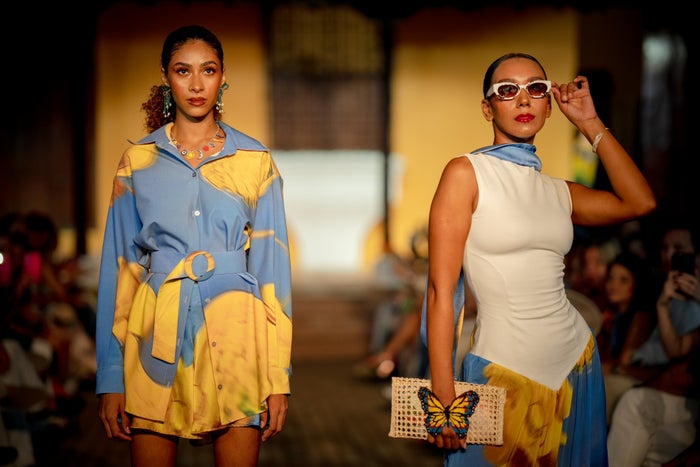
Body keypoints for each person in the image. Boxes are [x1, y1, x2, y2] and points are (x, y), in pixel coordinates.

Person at [421, 52, 655, 465]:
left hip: (575, 363)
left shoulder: (559, 192)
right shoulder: (465, 174)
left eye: (536, 88)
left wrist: (588, 123)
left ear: (549, 105)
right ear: (487, 108)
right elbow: (441, 291)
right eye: (507, 90)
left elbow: (640, 202)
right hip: (501, 369)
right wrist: (443, 392)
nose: (524, 98)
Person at [94, 25, 293, 467]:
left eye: (209, 70)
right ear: (166, 78)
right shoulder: (138, 162)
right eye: (183, 71)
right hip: (153, 334)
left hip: (237, 337)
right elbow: (120, 269)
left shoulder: (255, 161)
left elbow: (273, 275)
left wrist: (278, 376)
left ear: (223, 77)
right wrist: (110, 375)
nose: (197, 84)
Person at [607, 222, 700, 466]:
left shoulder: (693, 304)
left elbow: (676, 365)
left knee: (630, 400)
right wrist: (662, 305)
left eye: (679, 250)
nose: (670, 256)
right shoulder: (669, 295)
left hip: (666, 386)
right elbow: (676, 348)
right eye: (665, 248)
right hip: (652, 379)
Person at [597, 251, 655, 422]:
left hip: (631, 381)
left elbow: (624, 361)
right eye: (611, 278)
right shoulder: (610, 314)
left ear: (637, 284)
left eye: (623, 280)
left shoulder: (641, 318)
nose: (613, 285)